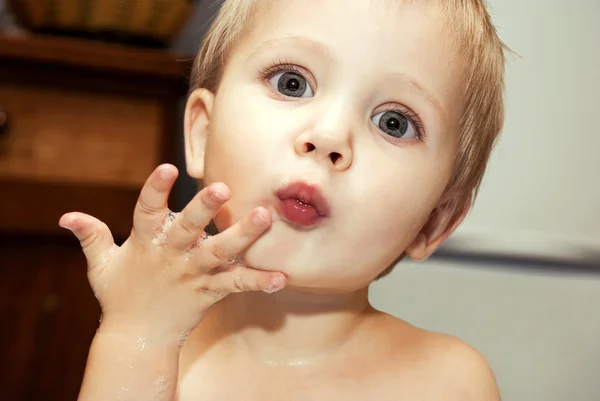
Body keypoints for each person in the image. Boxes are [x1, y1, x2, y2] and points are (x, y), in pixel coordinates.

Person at [60, 0, 508, 399]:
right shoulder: (148, 357)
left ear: (434, 222)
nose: (329, 135)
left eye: (393, 123)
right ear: (202, 133)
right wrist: (134, 337)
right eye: (292, 83)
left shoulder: (448, 383)